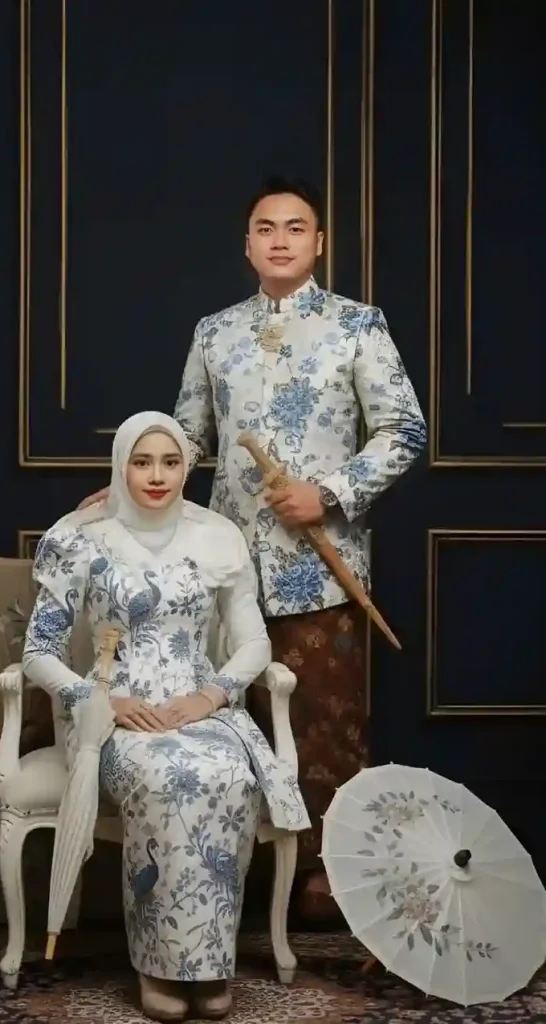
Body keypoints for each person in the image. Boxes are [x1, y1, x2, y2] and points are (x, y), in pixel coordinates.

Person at [78, 177, 427, 925]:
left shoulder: (357, 325)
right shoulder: (216, 333)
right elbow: (185, 436)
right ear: (247, 245)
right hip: (222, 567)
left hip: (320, 569)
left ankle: (330, 879)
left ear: (319, 242)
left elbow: (405, 430)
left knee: (326, 726)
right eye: (266, 228)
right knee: (222, 723)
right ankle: (222, 879)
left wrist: (326, 493)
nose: (280, 239)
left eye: (295, 227)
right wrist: (121, 486)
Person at [23, 411, 309, 1023]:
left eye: (171, 462)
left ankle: (208, 966)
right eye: (142, 462)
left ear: (185, 469)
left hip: (197, 710)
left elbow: (253, 643)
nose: (157, 476)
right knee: (164, 778)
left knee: (228, 775)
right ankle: (158, 967)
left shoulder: (217, 536)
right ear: (121, 467)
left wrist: (211, 697)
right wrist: (97, 701)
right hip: (113, 717)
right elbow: (38, 652)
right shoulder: (79, 537)